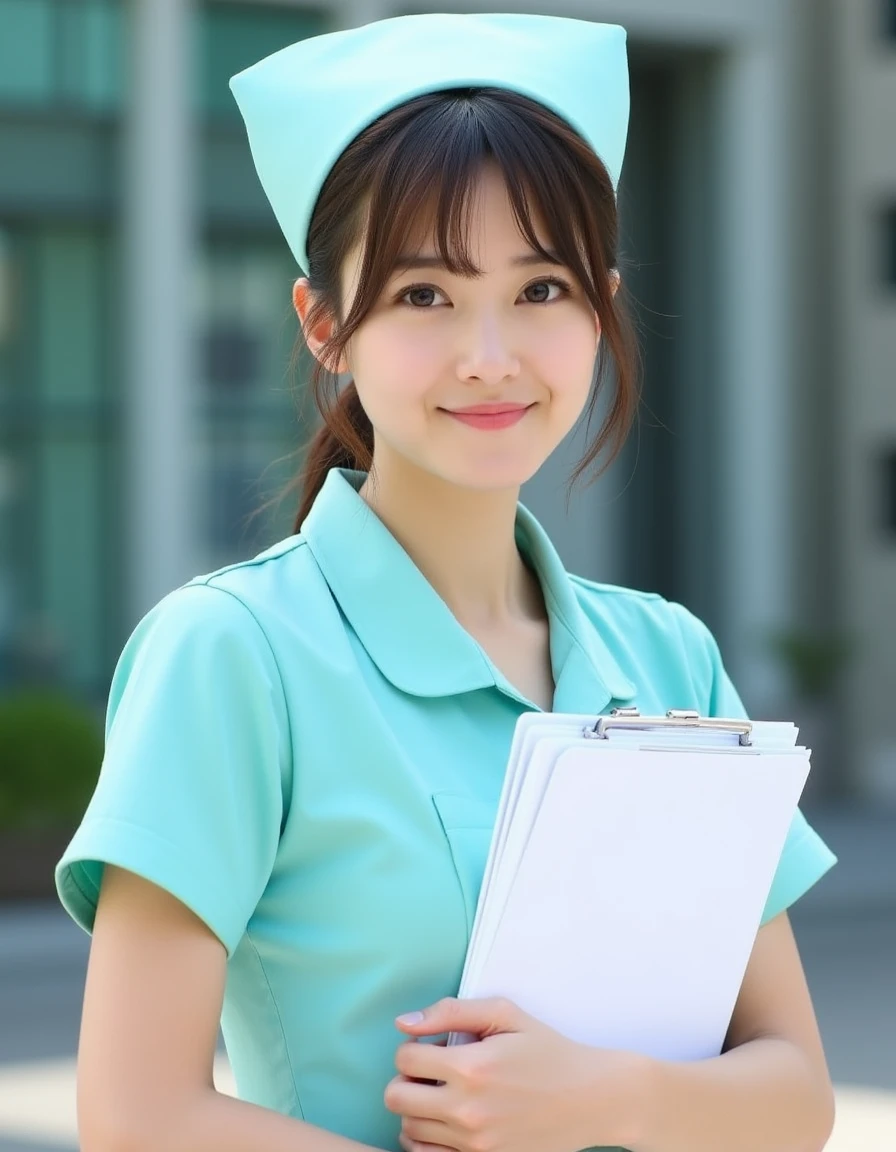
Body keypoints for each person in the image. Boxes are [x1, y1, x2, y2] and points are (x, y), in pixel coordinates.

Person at [55, 13, 837, 1152]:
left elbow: (793, 1093)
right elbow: (135, 1116)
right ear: (324, 324)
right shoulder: (232, 653)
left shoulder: (667, 658)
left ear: (599, 305)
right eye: (424, 295)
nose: (489, 354)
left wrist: (602, 1098)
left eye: (540, 291)